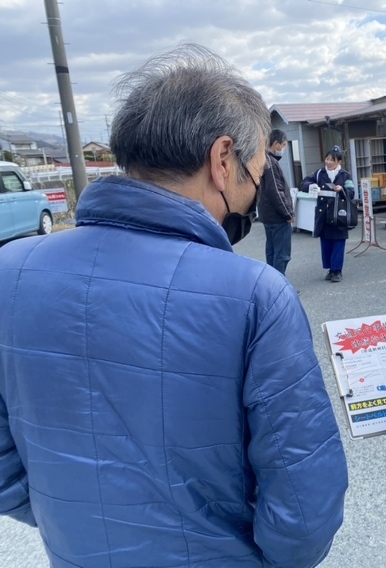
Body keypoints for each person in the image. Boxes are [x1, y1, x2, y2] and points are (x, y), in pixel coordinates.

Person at [0, 44, 347, 568]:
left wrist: (74, 521)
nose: (252, 199)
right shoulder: (255, 294)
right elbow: (304, 503)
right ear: (222, 159)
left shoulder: (10, 272)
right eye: (253, 178)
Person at [300, 145, 355, 283]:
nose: (329, 162)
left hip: (339, 214)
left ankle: (337, 271)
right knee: (325, 242)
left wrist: (342, 190)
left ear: (339, 162)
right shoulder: (319, 173)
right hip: (323, 214)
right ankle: (330, 269)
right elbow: (304, 182)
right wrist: (310, 186)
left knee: (338, 242)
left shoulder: (345, 175)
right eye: (327, 159)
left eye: (333, 160)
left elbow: (352, 193)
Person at [258, 129, 295, 276]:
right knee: (282, 254)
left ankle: (272, 284)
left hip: (267, 215)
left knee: (272, 252)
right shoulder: (271, 163)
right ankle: (279, 286)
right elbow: (275, 191)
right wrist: (288, 213)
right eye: (284, 145)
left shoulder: (262, 160)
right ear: (275, 144)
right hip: (277, 217)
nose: (284, 148)